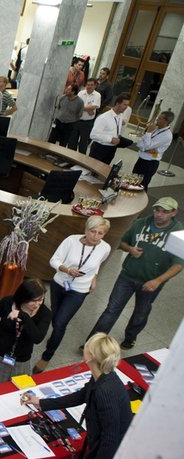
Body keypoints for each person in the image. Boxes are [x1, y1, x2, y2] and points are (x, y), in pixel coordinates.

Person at [21, 333, 131, 459]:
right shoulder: (102, 377)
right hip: (103, 447)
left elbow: (111, 437)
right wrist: (40, 402)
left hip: (109, 454)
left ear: (90, 356)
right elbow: (80, 396)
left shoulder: (105, 391)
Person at [84, 197, 183, 349]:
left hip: (151, 282)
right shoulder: (140, 224)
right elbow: (123, 242)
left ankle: (131, 337)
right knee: (111, 310)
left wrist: (157, 281)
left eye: (164, 212)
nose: (159, 214)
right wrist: (130, 249)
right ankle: (92, 343)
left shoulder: (178, 233)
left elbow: (178, 265)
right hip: (127, 276)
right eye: (157, 210)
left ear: (173, 213)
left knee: (140, 314)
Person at [34, 216, 112, 374]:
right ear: (86, 229)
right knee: (55, 318)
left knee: (60, 323)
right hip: (59, 283)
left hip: (80, 290)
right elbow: (54, 260)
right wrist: (67, 270)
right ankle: (55, 335)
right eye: (93, 231)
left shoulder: (105, 248)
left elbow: (97, 263)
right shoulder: (71, 240)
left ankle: (47, 356)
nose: (95, 236)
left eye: (100, 233)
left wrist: (94, 277)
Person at [0, 279, 51, 388]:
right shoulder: (7, 302)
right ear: (24, 297)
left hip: (19, 359)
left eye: (41, 299)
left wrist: (23, 316)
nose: (38, 303)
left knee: (5, 391)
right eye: (34, 300)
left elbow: (37, 338)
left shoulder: (45, 313)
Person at [133, 110, 174, 190]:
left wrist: (148, 133)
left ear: (166, 121)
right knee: (133, 182)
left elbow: (147, 146)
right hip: (141, 159)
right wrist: (144, 149)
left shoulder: (167, 135)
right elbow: (139, 143)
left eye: (160, 118)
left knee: (141, 186)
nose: (157, 119)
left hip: (150, 163)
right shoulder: (155, 129)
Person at [89, 93, 131, 165]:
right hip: (100, 149)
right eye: (124, 104)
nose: (126, 107)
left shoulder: (120, 116)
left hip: (111, 149)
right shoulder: (104, 117)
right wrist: (110, 139)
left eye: (127, 105)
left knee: (104, 169)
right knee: (93, 169)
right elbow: (93, 135)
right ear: (117, 104)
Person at [70, 79, 101, 154]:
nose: (89, 86)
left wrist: (83, 108)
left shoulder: (97, 95)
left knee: (83, 143)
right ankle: (70, 157)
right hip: (77, 120)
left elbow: (94, 107)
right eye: (88, 84)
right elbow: (76, 105)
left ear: (95, 86)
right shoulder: (81, 93)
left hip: (87, 123)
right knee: (72, 142)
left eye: (91, 85)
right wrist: (88, 109)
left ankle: (80, 159)